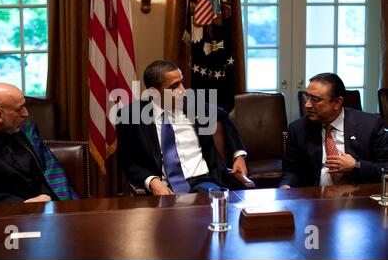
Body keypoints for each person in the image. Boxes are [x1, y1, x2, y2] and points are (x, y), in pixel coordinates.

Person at [116, 60, 249, 196]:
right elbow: (128, 163)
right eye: (174, 86)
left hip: (203, 183)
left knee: (214, 209)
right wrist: (152, 181)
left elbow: (223, 115)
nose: (183, 91)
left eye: (182, 83)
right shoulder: (130, 116)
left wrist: (238, 155)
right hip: (164, 188)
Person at [280, 73, 388, 188]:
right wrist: (286, 186)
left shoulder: (370, 125)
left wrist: (356, 165)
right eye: (308, 97)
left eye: (315, 99)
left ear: (337, 102)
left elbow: (385, 168)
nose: (307, 104)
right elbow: (291, 171)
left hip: (359, 198)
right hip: (315, 199)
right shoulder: (298, 129)